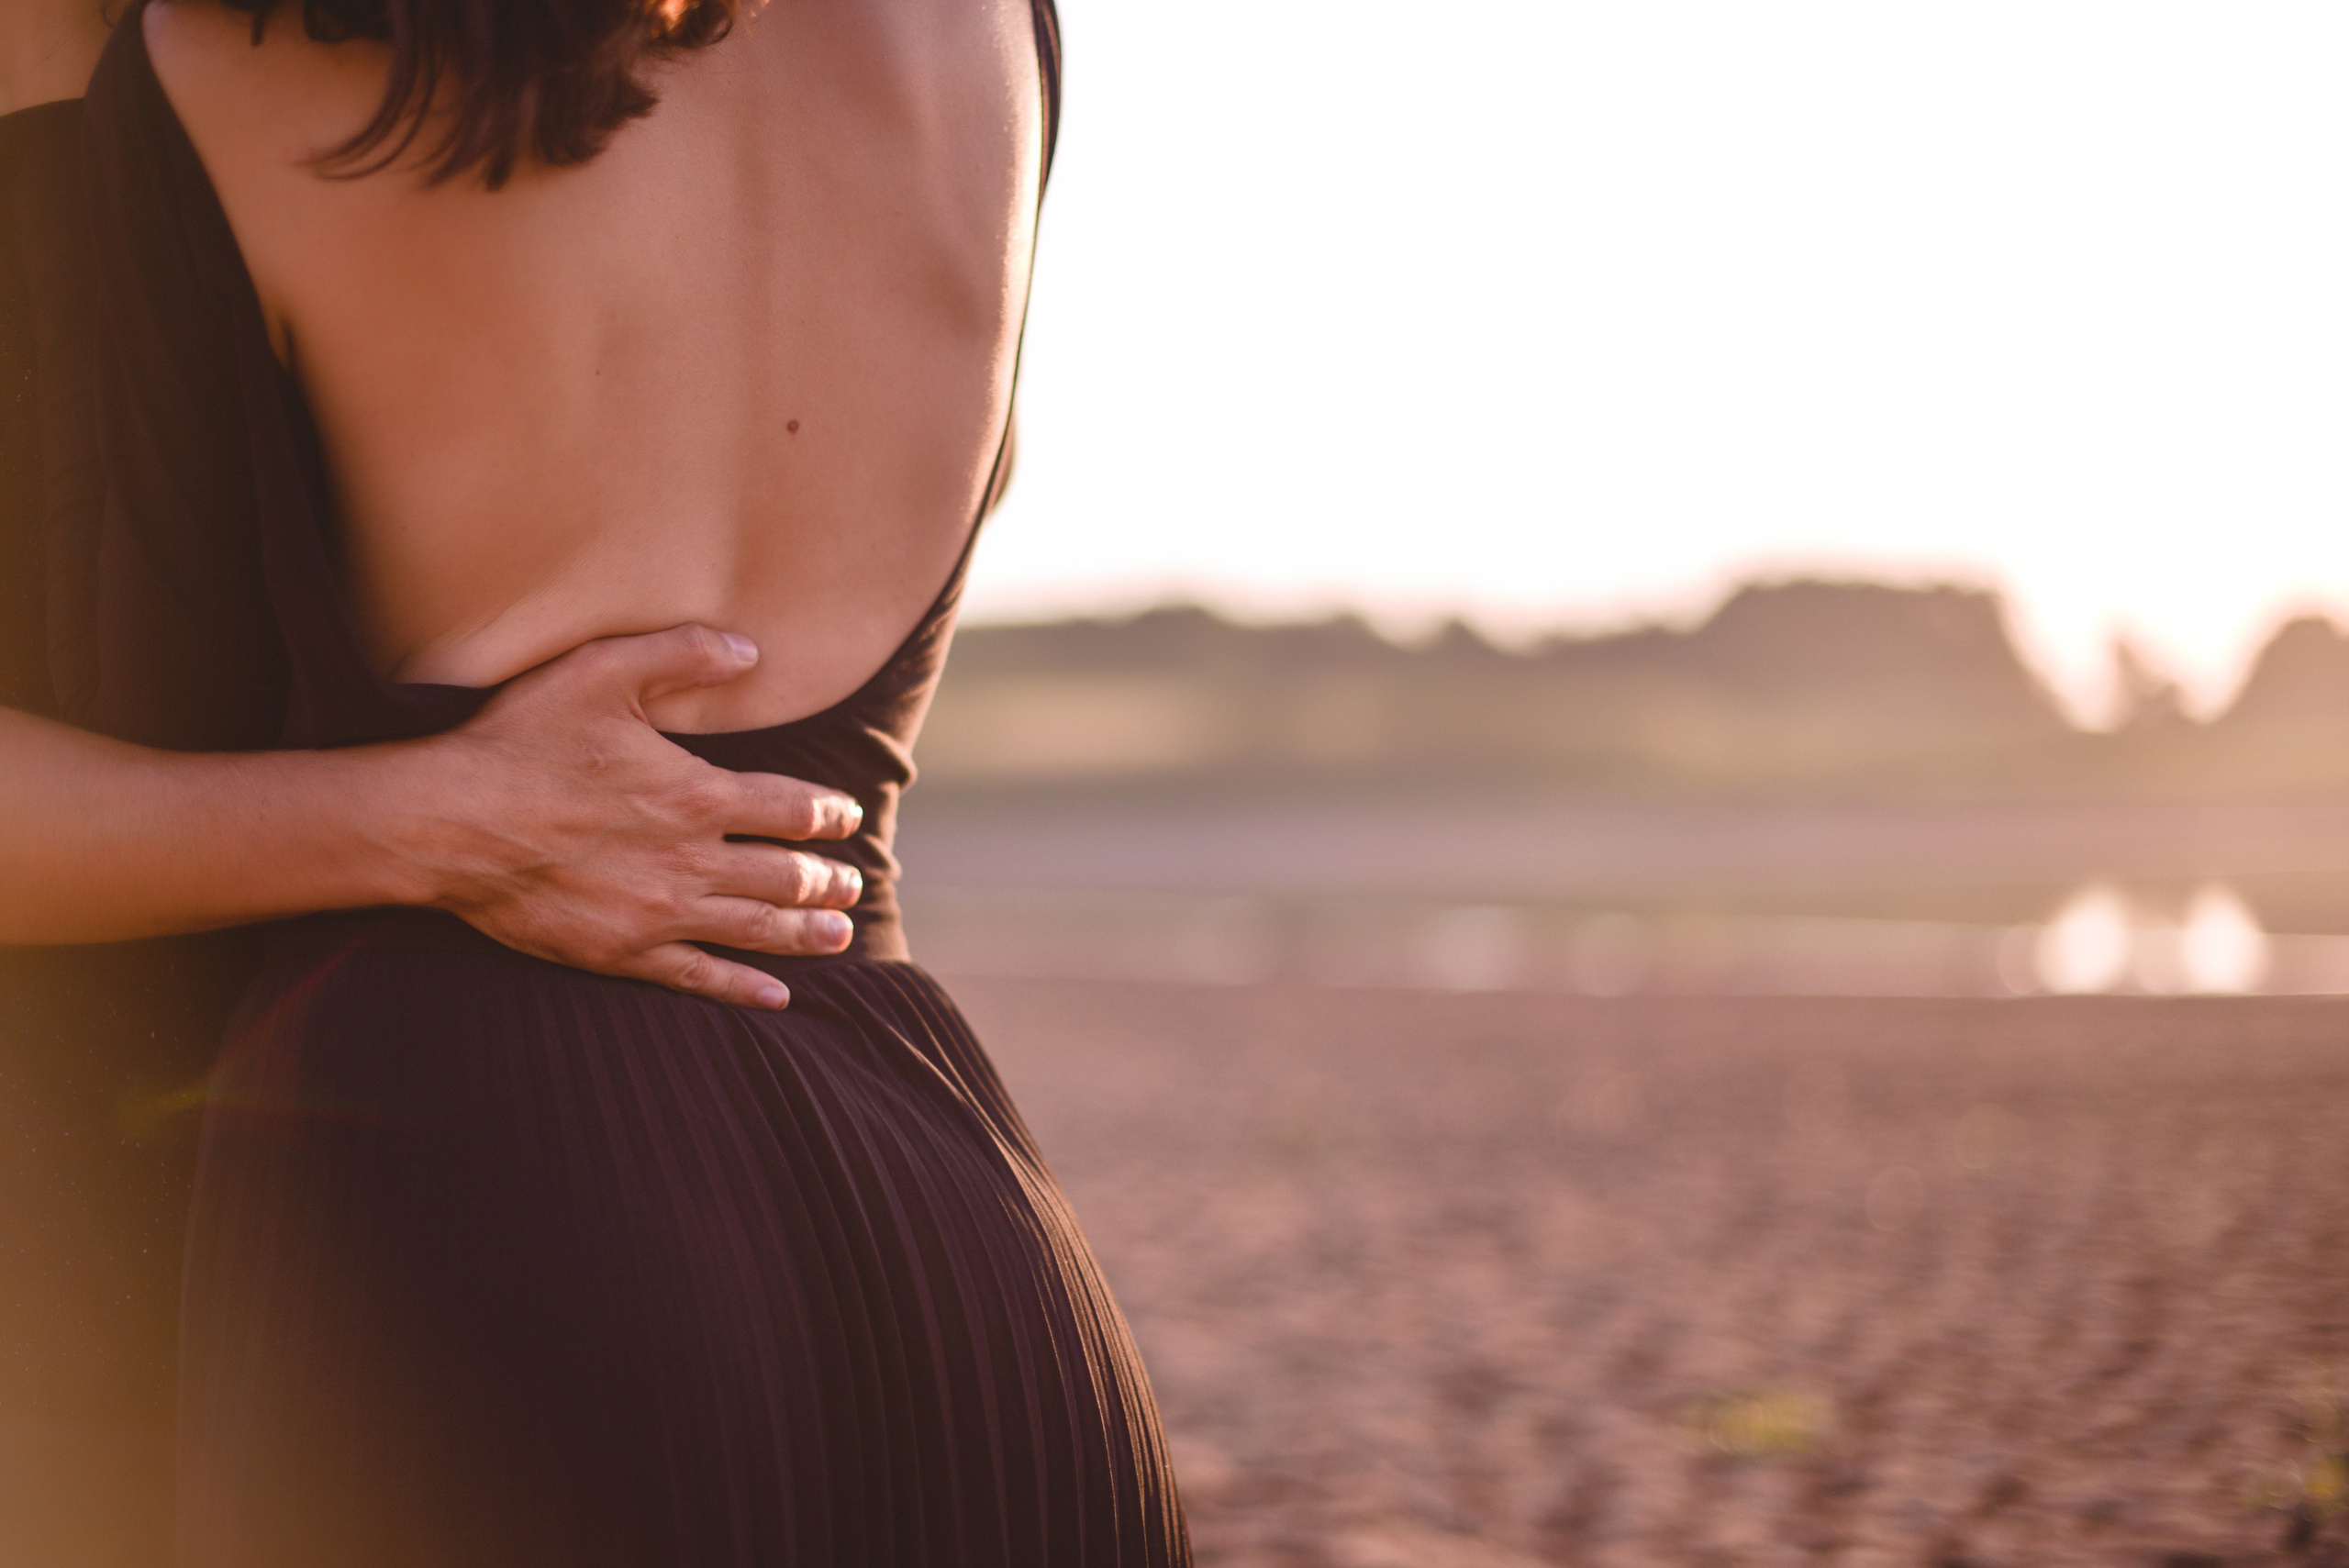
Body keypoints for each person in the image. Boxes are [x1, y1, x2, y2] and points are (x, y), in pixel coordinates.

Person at [62, 0, 1189, 1562]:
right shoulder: (997, 30)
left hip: (473, 1226)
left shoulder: (239, 54)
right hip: (970, 1244)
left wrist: (433, 815)